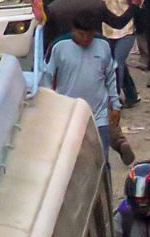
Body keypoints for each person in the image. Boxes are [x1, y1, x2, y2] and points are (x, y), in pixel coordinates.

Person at [42, 15, 123, 157]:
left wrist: (115, 105)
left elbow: (111, 76)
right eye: (81, 34)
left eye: (89, 35)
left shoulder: (103, 45)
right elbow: (47, 77)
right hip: (69, 114)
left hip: (99, 115)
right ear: (73, 30)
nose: (86, 38)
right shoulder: (59, 47)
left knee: (102, 158)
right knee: (72, 157)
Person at [87, 0, 144, 108]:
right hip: (105, 29)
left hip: (126, 29)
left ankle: (113, 101)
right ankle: (132, 95)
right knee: (116, 62)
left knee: (115, 64)